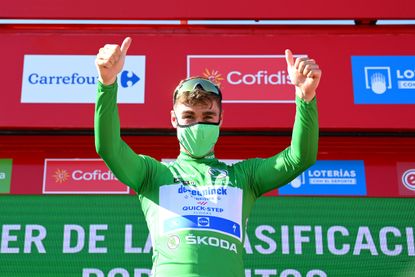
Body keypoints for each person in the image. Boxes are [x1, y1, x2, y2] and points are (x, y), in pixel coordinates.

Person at [94, 37, 320, 277]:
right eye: (189, 116)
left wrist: (305, 98)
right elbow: (109, 147)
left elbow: (300, 157)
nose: (198, 124)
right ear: (174, 120)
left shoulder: (244, 178)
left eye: (208, 117)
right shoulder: (153, 175)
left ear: (221, 120)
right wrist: (107, 84)